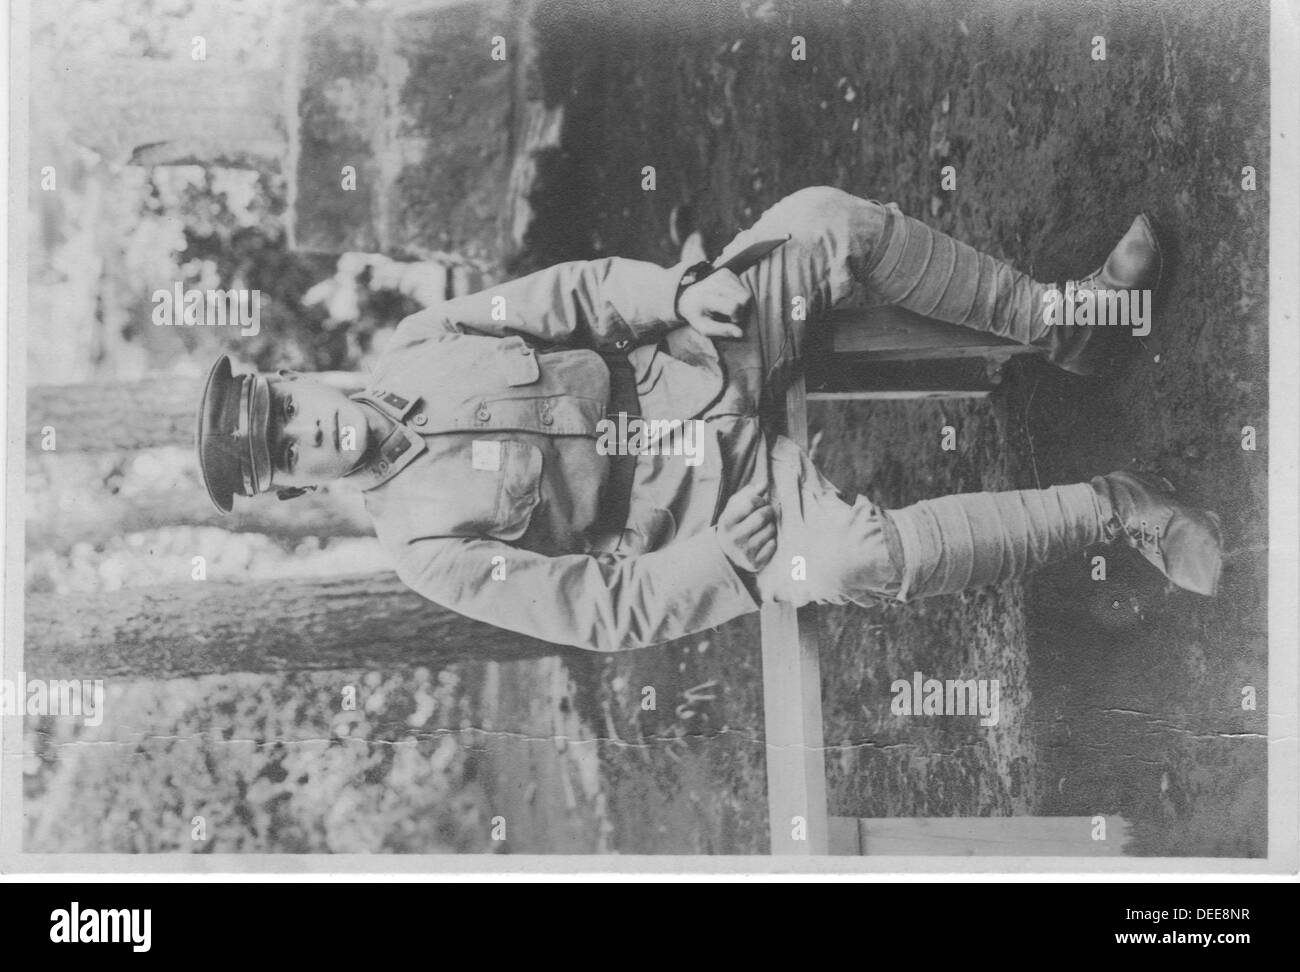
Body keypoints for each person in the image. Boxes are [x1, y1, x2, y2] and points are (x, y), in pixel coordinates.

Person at [196, 187, 1223, 652]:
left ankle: (1063, 323)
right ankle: (1120, 508)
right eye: (287, 454)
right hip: (710, 510)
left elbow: (575, 297)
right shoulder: (421, 547)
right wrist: (721, 567)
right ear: (296, 487)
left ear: (300, 377)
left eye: (289, 411)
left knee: (823, 224)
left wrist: (675, 296)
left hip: (693, 353)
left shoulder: (421, 338)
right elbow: (596, 611)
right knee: (853, 563)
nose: (309, 433)